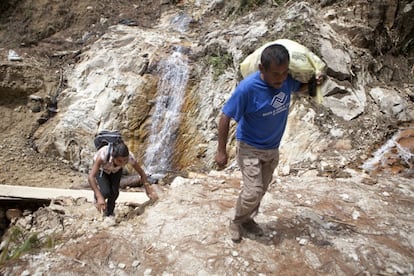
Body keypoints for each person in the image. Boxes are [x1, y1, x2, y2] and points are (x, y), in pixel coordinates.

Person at [215, 44, 313, 242]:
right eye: (276, 74)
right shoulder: (247, 89)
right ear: (262, 69)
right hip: (250, 147)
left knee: (262, 189)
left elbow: (301, 87)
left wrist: (316, 81)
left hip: (272, 148)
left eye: (285, 72)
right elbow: (225, 117)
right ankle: (235, 221)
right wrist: (221, 151)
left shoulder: (285, 82)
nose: (281, 78)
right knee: (253, 191)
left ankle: (247, 219)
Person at [88, 141, 158, 217]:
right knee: (106, 191)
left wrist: (147, 188)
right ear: (113, 157)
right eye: (119, 161)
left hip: (116, 170)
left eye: (125, 160)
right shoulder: (103, 155)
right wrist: (99, 196)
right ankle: (97, 199)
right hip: (102, 170)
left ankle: (109, 213)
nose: (123, 163)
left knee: (115, 192)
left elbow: (141, 173)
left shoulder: (130, 157)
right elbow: (91, 177)